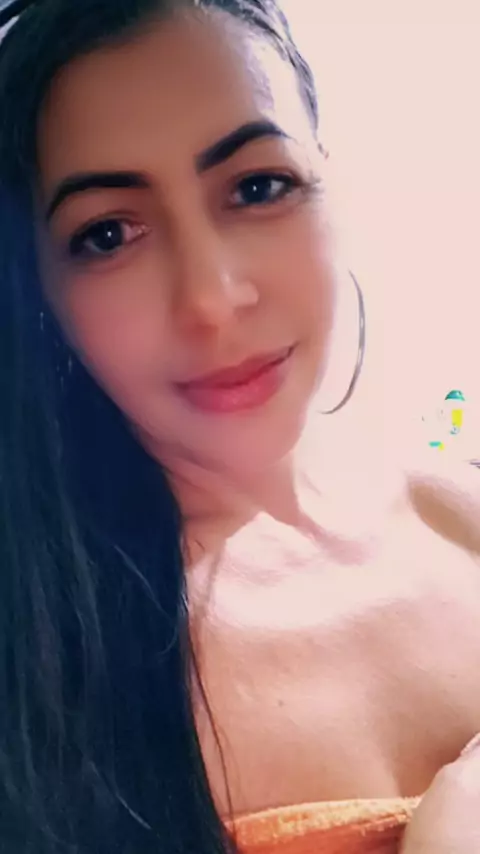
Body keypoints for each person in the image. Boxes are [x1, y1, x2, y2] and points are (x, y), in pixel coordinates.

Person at [0, 1, 479, 851]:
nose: (214, 300)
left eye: (258, 187)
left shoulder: (458, 518)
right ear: (41, 294)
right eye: (108, 234)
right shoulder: (33, 663)